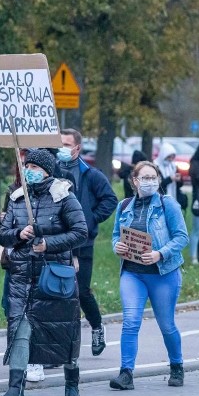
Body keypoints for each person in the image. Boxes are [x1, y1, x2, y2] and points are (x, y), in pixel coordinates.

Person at [0, 149, 87, 396]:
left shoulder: (64, 196)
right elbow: (3, 234)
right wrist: (19, 234)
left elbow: (80, 232)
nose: (29, 170)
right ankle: (15, 391)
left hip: (54, 278)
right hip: (22, 278)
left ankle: (71, 385)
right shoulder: (17, 198)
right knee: (19, 333)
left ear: (47, 170)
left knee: (61, 331)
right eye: (26, 165)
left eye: (34, 166)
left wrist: (48, 242)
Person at [110, 161, 189, 390]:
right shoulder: (124, 206)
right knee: (131, 322)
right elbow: (116, 235)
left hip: (163, 274)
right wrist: (117, 246)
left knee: (166, 325)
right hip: (133, 273)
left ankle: (177, 366)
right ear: (135, 181)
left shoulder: (168, 205)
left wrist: (160, 254)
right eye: (144, 178)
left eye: (153, 177)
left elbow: (181, 237)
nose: (150, 182)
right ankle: (126, 373)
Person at [57, 128, 118, 357]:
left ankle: (96, 326)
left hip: (82, 244)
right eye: (59, 143)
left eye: (66, 144)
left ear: (77, 148)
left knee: (80, 291)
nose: (62, 147)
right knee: (59, 293)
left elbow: (110, 200)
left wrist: (90, 219)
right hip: (57, 242)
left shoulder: (90, 174)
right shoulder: (53, 169)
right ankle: (62, 345)